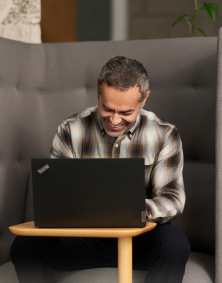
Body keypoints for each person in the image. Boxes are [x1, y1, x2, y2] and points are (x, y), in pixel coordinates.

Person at [11, 56, 190, 283]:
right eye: (107, 108)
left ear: (144, 99)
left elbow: (173, 199)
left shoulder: (165, 134)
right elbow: (57, 198)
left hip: (139, 238)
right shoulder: (70, 130)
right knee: (24, 246)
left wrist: (130, 209)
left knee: (175, 244)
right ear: (98, 92)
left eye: (126, 113)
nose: (115, 120)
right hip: (84, 239)